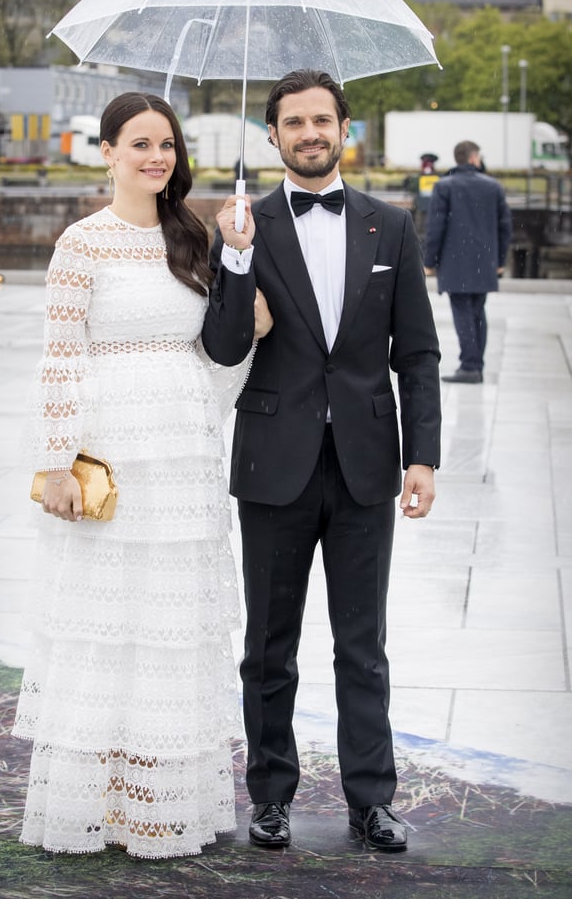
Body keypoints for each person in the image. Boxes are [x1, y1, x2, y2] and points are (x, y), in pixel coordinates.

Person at [13, 91, 272, 860]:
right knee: (107, 625)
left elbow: (224, 344)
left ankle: (162, 806)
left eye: (166, 144)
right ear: (107, 152)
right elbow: (60, 357)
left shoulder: (192, 235)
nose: (155, 156)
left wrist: (239, 270)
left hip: (183, 457)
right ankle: (94, 805)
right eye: (139, 143)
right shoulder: (80, 245)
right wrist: (56, 463)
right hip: (111, 456)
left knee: (169, 631)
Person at [201, 69, 442, 853]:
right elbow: (226, 346)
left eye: (321, 120)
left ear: (345, 130)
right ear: (271, 137)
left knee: (361, 643)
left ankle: (371, 800)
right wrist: (234, 261)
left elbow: (418, 353)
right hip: (274, 465)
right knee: (267, 646)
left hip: (369, 464)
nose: (309, 133)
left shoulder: (391, 225)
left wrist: (424, 458)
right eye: (293, 123)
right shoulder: (242, 226)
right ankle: (269, 796)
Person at [423, 140, 512, 384]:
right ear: (474, 158)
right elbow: (505, 227)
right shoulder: (493, 187)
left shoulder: (445, 186)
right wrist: (500, 259)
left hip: (455, 262)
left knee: (462, 313)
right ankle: (475, 364)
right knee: (477, 312)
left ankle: (470, 366)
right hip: (484, 261)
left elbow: (435, 228)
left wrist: (429, 261)